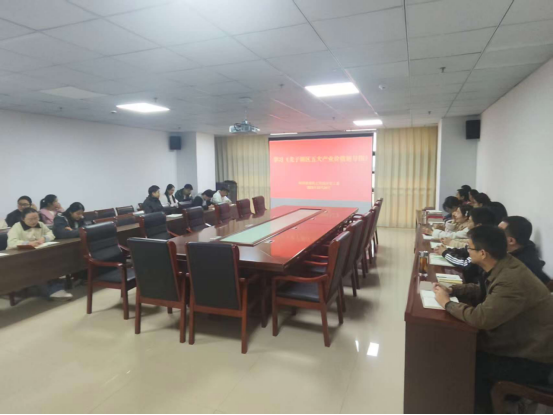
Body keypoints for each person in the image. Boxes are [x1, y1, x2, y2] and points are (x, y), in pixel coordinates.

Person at [433, 226, 553, 413]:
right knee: (460, 349)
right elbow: (485, 289)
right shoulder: (503, 263)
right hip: (517, 340)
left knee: (463, 359)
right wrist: (454, 290)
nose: (467, 250)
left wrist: (447, 304)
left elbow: (481, 319)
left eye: (469, 247)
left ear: (482, 253)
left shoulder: (511, 280)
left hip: (530, 358)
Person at [7, 208, 72, 300]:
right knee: (40, 267)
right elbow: (12, 242)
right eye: (30, 219)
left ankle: (56, 288)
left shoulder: (40, 224)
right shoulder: (17, 227)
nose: (34, 221)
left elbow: (51, 233)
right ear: (23, 219)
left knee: (56, 261)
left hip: (37, 254)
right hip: (19, 257)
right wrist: (28, 243)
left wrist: (44, 238)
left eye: (36, 218)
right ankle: (52, 291)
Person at [499, 216, 551, 285]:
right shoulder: (525, 247)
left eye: (498, 232)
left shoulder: (519, 267)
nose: (493, 234)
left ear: (511, 241)